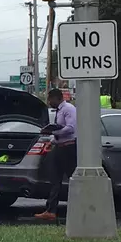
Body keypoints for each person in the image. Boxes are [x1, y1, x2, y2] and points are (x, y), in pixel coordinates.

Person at [35, 88, 77, 221]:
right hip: (60, 147)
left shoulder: (69, 109)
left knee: (73, 178)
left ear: (57, 98)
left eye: (50, 99)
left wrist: (53, 133)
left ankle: (79, 207)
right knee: (55, 179)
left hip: (69, 148)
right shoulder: (59, 110)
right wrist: (52, 140)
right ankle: (51, 210)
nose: (49, 102)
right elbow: (60, 129)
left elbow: (71, 128)